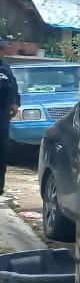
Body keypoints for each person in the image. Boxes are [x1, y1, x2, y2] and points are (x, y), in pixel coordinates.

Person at [0, 43, 19, 193]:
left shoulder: (5, 68)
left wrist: (15, 102)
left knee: (2, 150)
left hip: (2, 116)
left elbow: (13, 86)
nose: (3, 52)